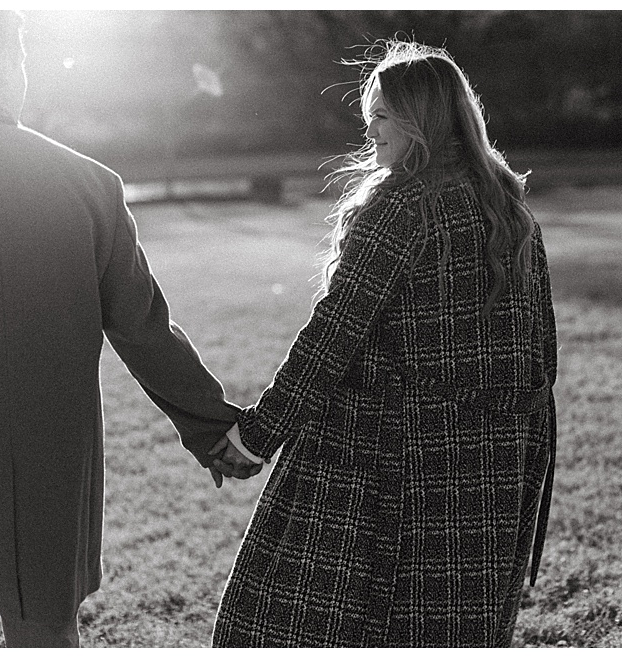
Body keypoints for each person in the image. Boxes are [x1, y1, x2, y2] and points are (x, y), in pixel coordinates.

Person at [211, 41, 558, 647]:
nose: (369, 128)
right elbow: (540, 349)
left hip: (390, 456)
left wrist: (255, 436)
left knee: (286, 620)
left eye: (381, 115)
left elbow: (333, 334)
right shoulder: (504, 201)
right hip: (491, 459)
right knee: (451, 627)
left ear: (420, 117)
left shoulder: (403, 204)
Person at [0, 10, 260, 648]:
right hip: (41, 454)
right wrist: (211, 425)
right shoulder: (88, 184)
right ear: (14, 66)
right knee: (43, 629)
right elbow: (144, 331)